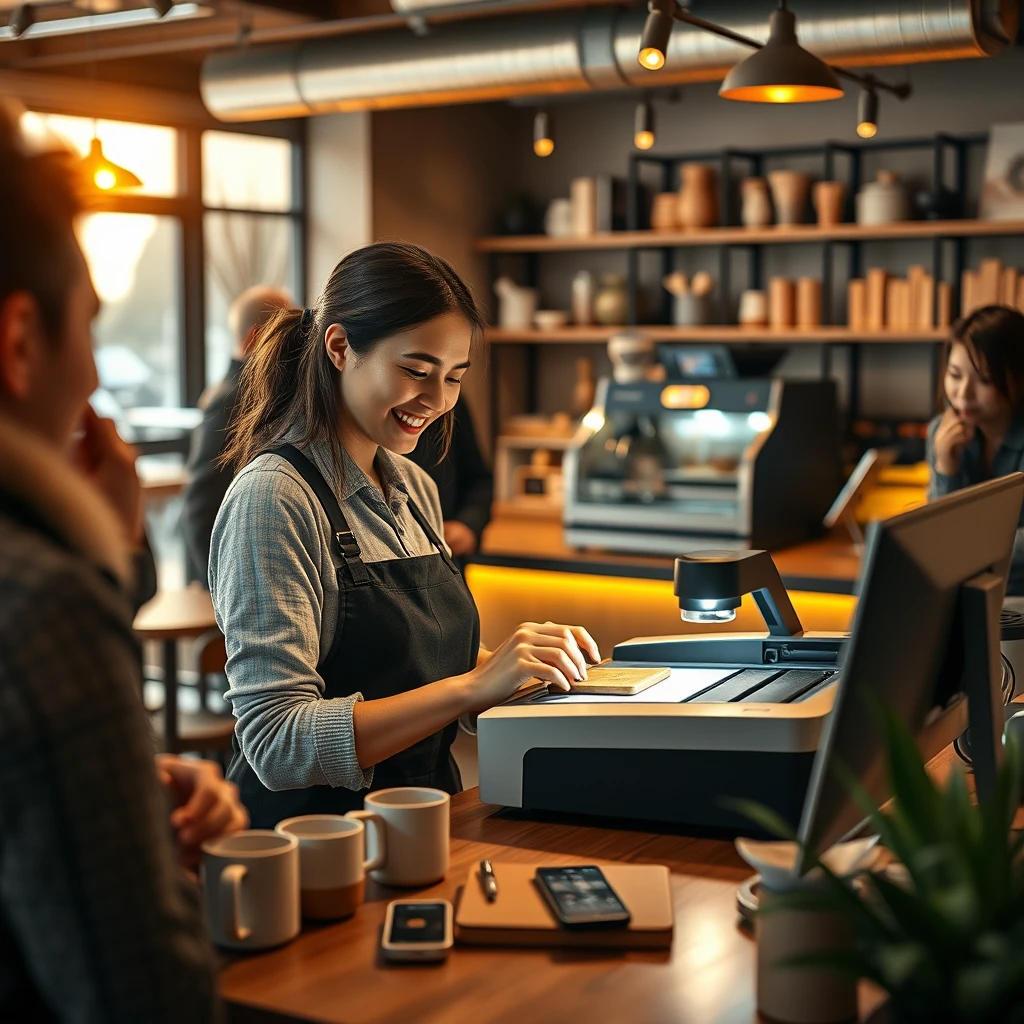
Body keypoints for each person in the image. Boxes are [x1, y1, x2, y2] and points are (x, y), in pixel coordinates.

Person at [211, 241, 600, 827]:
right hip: (318, 848)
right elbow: (277, 743)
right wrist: (471, 687)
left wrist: (522, 671)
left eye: (454, 378)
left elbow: (424, 665)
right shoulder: (274, 498)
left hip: (426, 824)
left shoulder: (414, 487)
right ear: (339, 347)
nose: (437, 401)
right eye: (416, 372)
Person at [0, 106, 247, 1021]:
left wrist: (121, 786)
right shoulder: (43, 607)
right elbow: (140, 990)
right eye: (90, 332)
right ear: (20, 342)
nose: (97, 380)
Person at [183, 285, 292, 587]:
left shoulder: (260, 393)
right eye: (285, 335)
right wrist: (219, 585)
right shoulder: (231, 400)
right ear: (255, 339)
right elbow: (201, 501)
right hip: (231, 575)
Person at [927, 304, 1024, 593]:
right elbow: (935, 536)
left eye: (984, 380)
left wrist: (963, 550)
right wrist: (946, 465)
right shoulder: (942, 432)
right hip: (959, 592)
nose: (963, 394)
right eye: (955, 375)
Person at [405, 396, 493, 565]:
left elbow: (479, 481)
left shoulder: (450, 403)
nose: (437, 396)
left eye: (453, 378)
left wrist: (467, 525)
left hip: (444, 560)